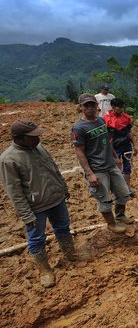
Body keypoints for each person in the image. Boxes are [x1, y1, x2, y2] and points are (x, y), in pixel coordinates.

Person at [0, 121, 79, 287]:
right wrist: (26, 214)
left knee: (63, 227)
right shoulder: (9, 159)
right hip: (36, 207)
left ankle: (70, 253)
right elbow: (14, 191)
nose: (38, 138)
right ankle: (44, 269)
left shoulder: (39, 147)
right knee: (36, 238)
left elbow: (53, 168)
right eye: (33, 136)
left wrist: (63, 187)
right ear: (19, 139)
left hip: (56, 198)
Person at [73, 94, 133, 233]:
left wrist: (115, 157)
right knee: (104, 200)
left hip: (110, 165)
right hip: (97, 169)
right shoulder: (79, 128)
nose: (90, 108)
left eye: (92, 105)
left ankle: (120, 215)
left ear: (97, 106)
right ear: (81, 107)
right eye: (86, 105)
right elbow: (80, 151)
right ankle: (111, 224)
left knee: (123, 193)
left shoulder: (100, 121)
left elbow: (107, 141)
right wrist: (89, 173)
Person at [103, 98, 135, 194]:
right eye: (119, 107)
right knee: (114, 168)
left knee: (127, 167)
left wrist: (134, 145)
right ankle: (115, 191)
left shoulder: (126, 118)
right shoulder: (106, 118)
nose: (121, 109)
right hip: (114, 147)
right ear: (113, 107)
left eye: (122, 107)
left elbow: (129, 132)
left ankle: (128, 188)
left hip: (126, 145)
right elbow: (105, 136)